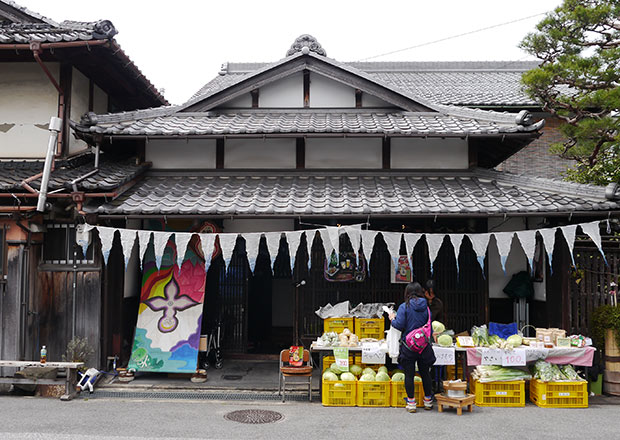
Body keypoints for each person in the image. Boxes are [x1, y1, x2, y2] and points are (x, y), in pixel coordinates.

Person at [388, 282, 436, 413]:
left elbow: (399, 325)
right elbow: (429, 326)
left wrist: (392, 318)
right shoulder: (426, 307)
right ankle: (428, 401)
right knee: (425, 373)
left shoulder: (405, 306)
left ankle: (411, 403)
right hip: (424, 346)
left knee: (409, 374)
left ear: (407, 292)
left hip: (409, 346)